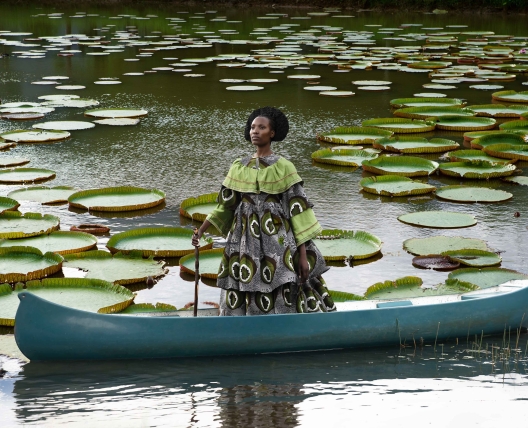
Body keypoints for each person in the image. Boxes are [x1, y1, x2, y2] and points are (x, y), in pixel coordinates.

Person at [192, 107, 336, 316]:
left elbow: (298, 211)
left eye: (262, 127)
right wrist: (201, 231)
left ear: (272, 133)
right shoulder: (238, 167)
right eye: (252, 127)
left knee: (280, 275)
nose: (255, 131)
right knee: (244, 275)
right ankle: (242, 322)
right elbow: (225, 207)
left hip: (277, 240)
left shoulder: (284, 167)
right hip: (243, 239)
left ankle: (284, 321)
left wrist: (303, 255)